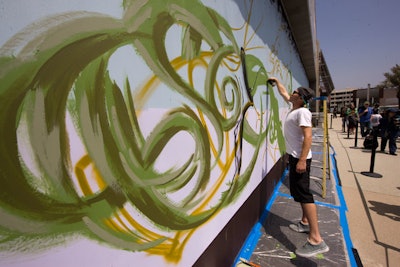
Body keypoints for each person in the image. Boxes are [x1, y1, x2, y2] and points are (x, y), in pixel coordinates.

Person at [267, 77, 329, 257]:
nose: (292, 93)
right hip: (295, 158)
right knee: (298, 192)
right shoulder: (294, 108)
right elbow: (284, 93)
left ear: (301, 98)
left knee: (304, 194)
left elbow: (308, 137)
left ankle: (316, 239)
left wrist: (302, 160)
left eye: (295, 92)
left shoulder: (302, 112)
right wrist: (277, 81)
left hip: (300, 159)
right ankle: (304, 222)